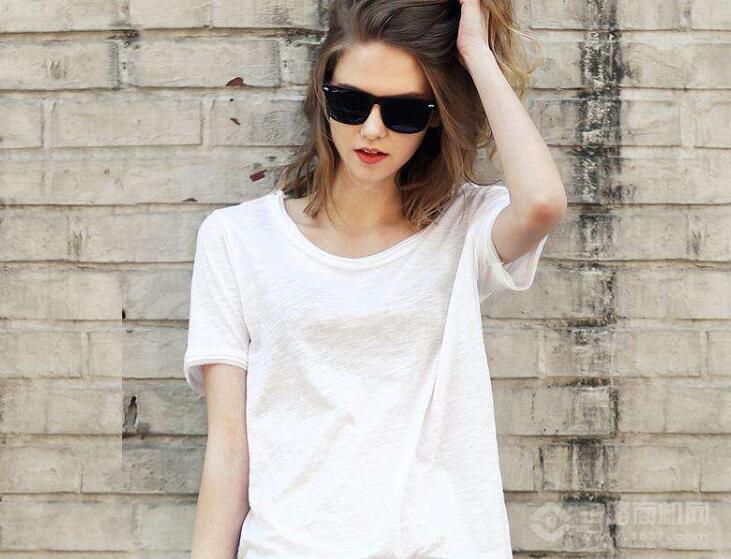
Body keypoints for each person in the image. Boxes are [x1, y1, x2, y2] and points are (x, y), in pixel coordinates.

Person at [183, 0, 567, 557]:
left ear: (434, 117)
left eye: (404, 111)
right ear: (322, 96)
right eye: (350, 102)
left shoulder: (462, 228)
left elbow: (542, 205)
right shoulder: (237, 239)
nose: (371, 129)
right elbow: (228, 447)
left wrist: (476, 53)